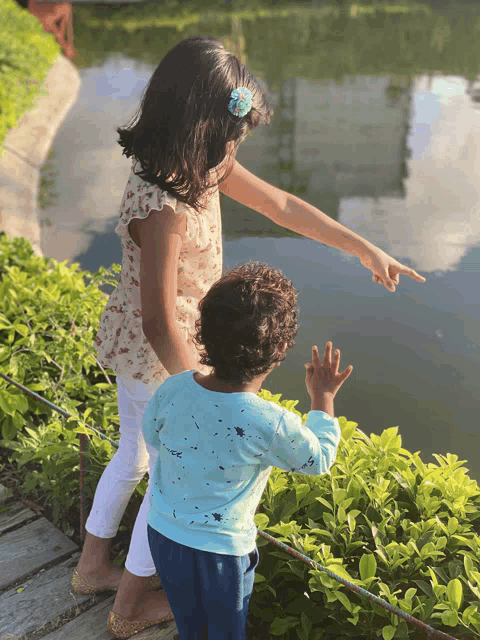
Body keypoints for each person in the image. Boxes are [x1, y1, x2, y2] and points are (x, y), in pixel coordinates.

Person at [71, 36, 425, 639]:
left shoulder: (203, 166)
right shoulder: (161, 201)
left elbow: (283, 204)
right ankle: (128, 608)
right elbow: (158, 317)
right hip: (160, 356)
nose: (236, 147)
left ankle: (90, 569)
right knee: (169, 478)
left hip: (160, 350)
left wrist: (364, 246)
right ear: (199, 123)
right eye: (232, 132)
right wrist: (202, 398)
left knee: (134, 455)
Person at [143, 260, 353, 640]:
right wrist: (322, 399)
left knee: (189, 625)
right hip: (221, 555)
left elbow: (153, 437)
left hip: (163, 534)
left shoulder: (172, 388)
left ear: (202, 335)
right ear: (281, 349)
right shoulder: (267, 421)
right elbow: (318, 459)